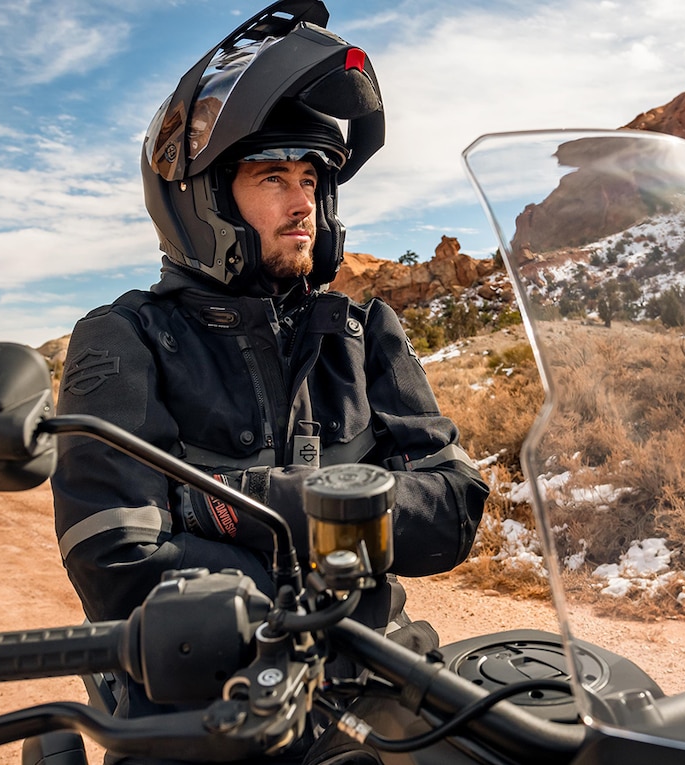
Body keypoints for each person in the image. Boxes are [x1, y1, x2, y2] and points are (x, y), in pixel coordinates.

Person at [49, 0, 488, 750]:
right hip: (199, 706)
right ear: (204, 199)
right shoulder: (124, 338)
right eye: (273, 176)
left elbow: (452, 511)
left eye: (312, 176)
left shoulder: (363, 330)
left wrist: (234, 506)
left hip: (376, 673)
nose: (302, 201)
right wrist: (346, 524)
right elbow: (118, 562)